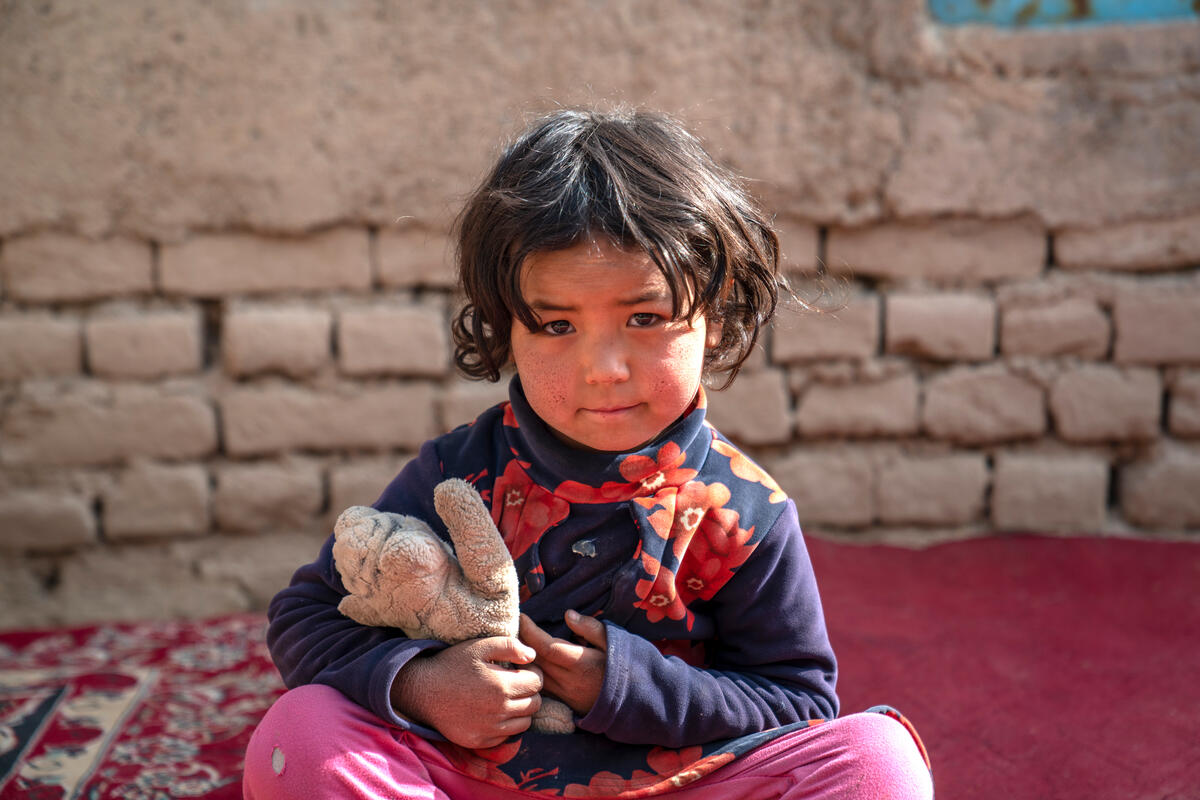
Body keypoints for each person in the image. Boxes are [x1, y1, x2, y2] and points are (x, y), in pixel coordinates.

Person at [243, 108, 933, 799]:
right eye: (556, 324)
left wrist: (629, 687)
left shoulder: (745, 512)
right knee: (302, 733)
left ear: (715, 316)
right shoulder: (460, 473)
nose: (602, 368)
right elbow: (307, 618)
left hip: (686, 781)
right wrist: (421, 686)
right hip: (464, 779)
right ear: (504, 327)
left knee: (878, 763)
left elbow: (796, 701)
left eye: (645, 318)